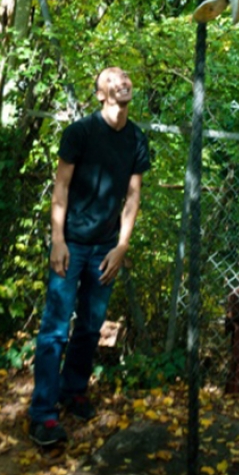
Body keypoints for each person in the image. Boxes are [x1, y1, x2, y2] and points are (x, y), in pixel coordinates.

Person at [28, 67, 151, 448]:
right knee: (54, 330)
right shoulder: (79, 132)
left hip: (105, 248)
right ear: (100, 94)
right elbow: (60, 187)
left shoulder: (136, 139)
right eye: (113, 79)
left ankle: (74, 390)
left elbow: (132, 197)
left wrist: (122, 245)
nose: (123, 82)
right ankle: (43, 414)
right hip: (73, 245)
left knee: (89, 327)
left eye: (126, 78)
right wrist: (58, 240)